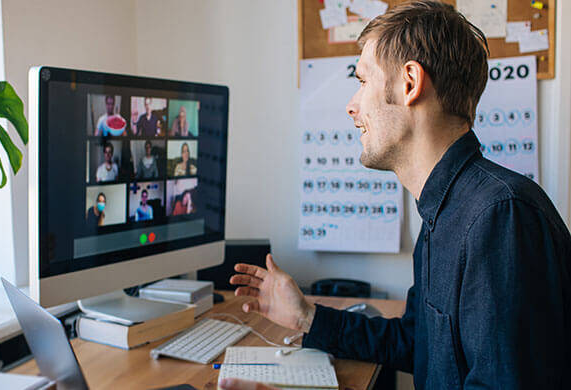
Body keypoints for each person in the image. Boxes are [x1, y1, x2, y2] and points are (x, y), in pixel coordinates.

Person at [222, 2, 571, 390]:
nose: (352, 107)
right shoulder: (446, 212)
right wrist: (306, 316)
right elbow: (417, 344)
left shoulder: (500, 216)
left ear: (409, 83)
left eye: (362, 81)